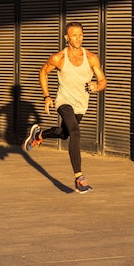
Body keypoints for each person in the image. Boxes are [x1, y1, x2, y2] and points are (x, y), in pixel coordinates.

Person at [22, 22, 107, 193]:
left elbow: (103, 80)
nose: (78, 38)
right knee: (75, 132)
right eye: (74, 35)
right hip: (64, 101)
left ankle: (39, 134)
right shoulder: (58, 58)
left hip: (81, 105)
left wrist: (97, 86)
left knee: (65, 133)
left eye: (81, 34)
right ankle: (79, 178)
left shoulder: (91, 58)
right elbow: (43, 72)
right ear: (67, 37)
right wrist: (47, 96)